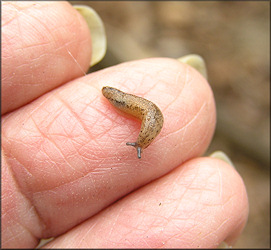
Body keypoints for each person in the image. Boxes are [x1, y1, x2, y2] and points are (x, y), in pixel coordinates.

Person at [1, 2, 248, 248]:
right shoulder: (126, 104)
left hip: (132, 104)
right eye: (144, 137)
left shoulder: (147, 114)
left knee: (148, 112)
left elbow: (153, 115)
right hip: (124, 100)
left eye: (145, 137)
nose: (145, 134)